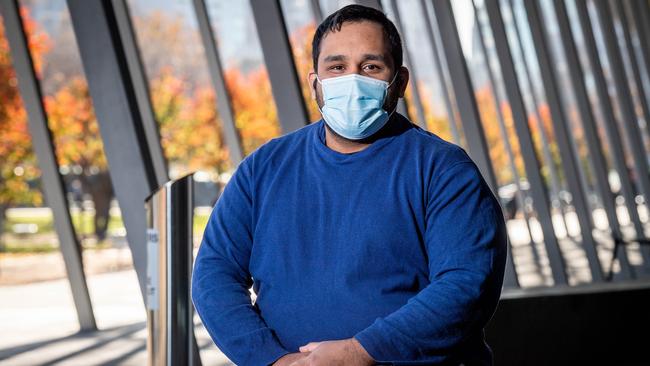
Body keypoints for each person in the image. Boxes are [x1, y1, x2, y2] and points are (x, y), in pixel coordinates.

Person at [191, 4, 507, 366]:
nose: (352, 80)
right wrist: (273, 360)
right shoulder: (263, 169)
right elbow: (214, 276)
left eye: (371, 67)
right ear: (315, 84)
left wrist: (360, 353)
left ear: (399, 82)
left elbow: (466, 286)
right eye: (337, 67)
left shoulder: (444, 170)